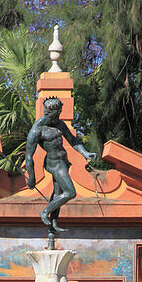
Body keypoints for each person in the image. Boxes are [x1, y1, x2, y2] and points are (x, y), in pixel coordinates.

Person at [24, 97, 97, 231]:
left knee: (58, 194)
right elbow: (29, 156)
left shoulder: (60, 124)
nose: (59, 115)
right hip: (54, 163)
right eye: (57, 113)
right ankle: (45, 212)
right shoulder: (37, 130)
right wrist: (31, 177)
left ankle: (53, 224)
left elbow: (73, 140)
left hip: (63, 162)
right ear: (49, 112)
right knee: (70, 192)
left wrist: (85, 153)